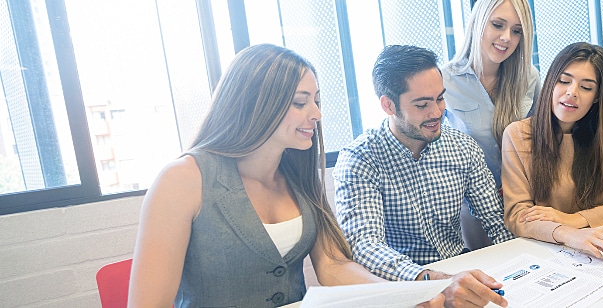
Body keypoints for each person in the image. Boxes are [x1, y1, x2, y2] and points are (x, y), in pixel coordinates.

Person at [128, 44, 501, 307]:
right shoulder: (182, 179)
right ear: (257, 104)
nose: (317, 114)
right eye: (300, 102)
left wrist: (410, 296)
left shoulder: (298, 175)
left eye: (317, 100)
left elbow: (335, 266)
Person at [334, 44, 514, 289]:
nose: (437, 112)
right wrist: (429, 280)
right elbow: (365, 246)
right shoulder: (360, 159)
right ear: (388, 105)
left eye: (440, 98)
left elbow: (495, 220)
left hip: (458, 271)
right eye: (421, 105)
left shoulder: (463, 147)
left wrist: (519, 268)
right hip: (398, 285)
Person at [501, 42, 603, 261]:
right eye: (564, 81)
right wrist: (569, 233)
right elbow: (518, 216)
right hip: (549, 255)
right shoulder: (518, 135)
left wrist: (577, 219)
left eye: (586, 87)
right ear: (551, 83)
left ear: (598, 97)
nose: (571, 92)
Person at [441, 0, 540, 249]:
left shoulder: (529, 77)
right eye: (498, 25)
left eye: (516, 31)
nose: (506, 38)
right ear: (477, 23)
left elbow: (544, 140)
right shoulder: (445, 81)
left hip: (523, 206)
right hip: (469, 211)